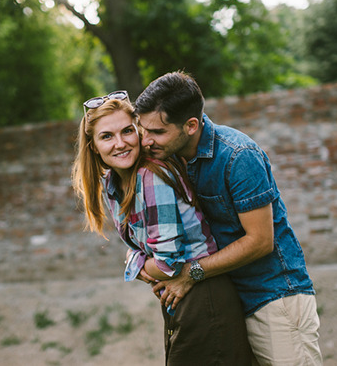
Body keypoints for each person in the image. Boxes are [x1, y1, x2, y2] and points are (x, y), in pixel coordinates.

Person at [135, 72, 323, 366]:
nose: (145, 141)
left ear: (191, 125)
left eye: (157, 132)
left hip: (274, 296)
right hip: (226, 299)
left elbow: (260, 241)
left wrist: (191, 273)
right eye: (142, 129)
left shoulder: (237, 155)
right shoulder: (168, 160)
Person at [71, 90, 253, 365]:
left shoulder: (148, 176)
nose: (120, 143)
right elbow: (147, 251)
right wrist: (140, 258)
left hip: (204, 295)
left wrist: (134, 265)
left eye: (127, 131)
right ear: (94, 146)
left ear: (139, 132)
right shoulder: (111, 185)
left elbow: (168, 263)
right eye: (107, 136)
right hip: (179, 295)